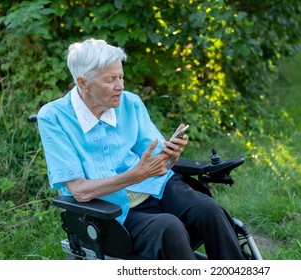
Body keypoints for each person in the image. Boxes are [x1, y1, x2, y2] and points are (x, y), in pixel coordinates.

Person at [37, 38, 244, 260]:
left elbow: (157, 164)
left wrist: (171, 155)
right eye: (110, 80)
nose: (120, 86)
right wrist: (133, 176)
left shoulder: (130, 103)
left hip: (156, 189)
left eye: (121, 76)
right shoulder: (53, 118)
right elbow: (79, 190)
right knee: (170, 227)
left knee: (208, 211)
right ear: (83, 83)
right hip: (110, 213)